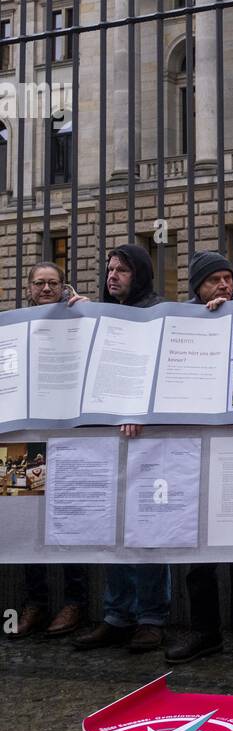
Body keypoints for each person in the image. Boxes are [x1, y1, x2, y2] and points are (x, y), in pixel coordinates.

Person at [165, 251, 233, 667]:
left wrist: (232, 312)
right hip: (195, 446)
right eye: (215, 280)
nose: (224, 285)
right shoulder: (180, 322)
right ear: (197, 287)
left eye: (228, 278)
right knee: (198, 551)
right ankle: (205, 632)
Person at [74, 246, 171, 654]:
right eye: (110, 269)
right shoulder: (104, 314)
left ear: (142, 274)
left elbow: (161, 369)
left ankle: (150, 618)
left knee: (146, 527)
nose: (113, 275)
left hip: (146, 437)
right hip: (108, 435)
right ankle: (117, 616)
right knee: (114, 525)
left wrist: (138, 409)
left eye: (123, 270)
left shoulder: (158, 314)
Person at [10, 263, 89, 640]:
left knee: (70, 520)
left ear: (63, 286)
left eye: (52, 283)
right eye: (39, 283)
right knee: (28, 525)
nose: (45, 288)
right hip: (25, 438)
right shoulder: (14, 325)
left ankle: (76, 602)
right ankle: (35, 603)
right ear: (28, 288)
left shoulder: (80, 316)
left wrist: (90, 313)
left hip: (68, 436)